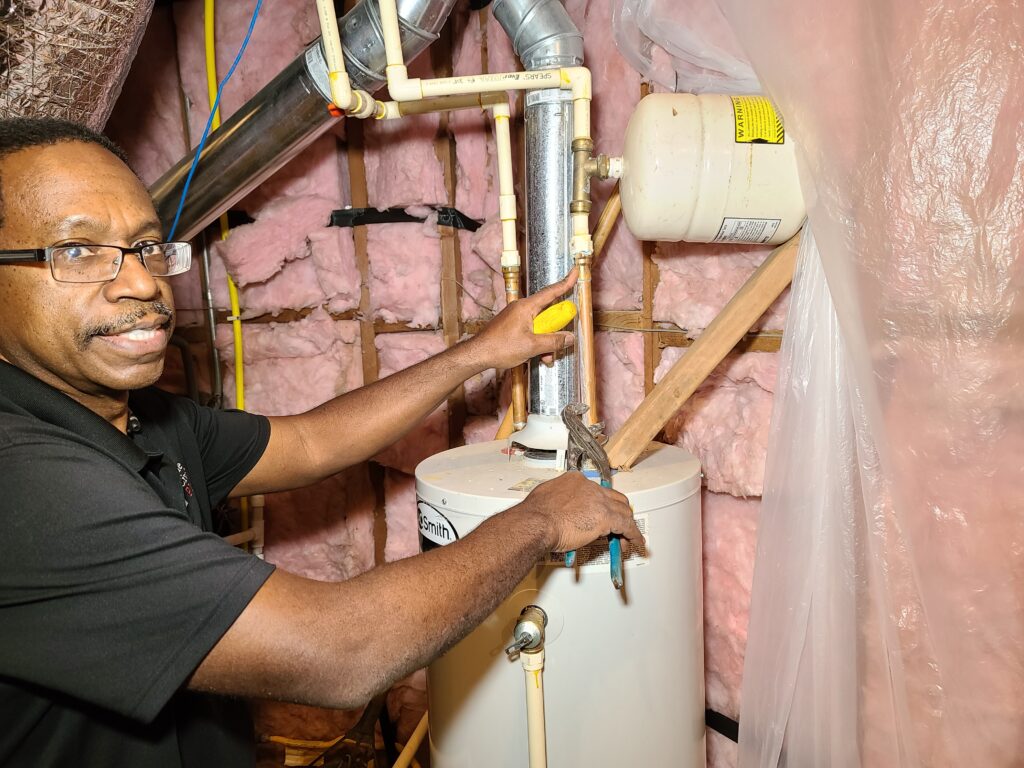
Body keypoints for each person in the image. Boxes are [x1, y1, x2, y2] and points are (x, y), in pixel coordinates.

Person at [0, 117, 641, 768]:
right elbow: (343, 654)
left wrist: (481, 352)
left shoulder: (140, 418)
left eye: (145, 247)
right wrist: (539, 518)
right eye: (76, 252)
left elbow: (309, 443)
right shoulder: (23, 481)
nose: (140, 283)